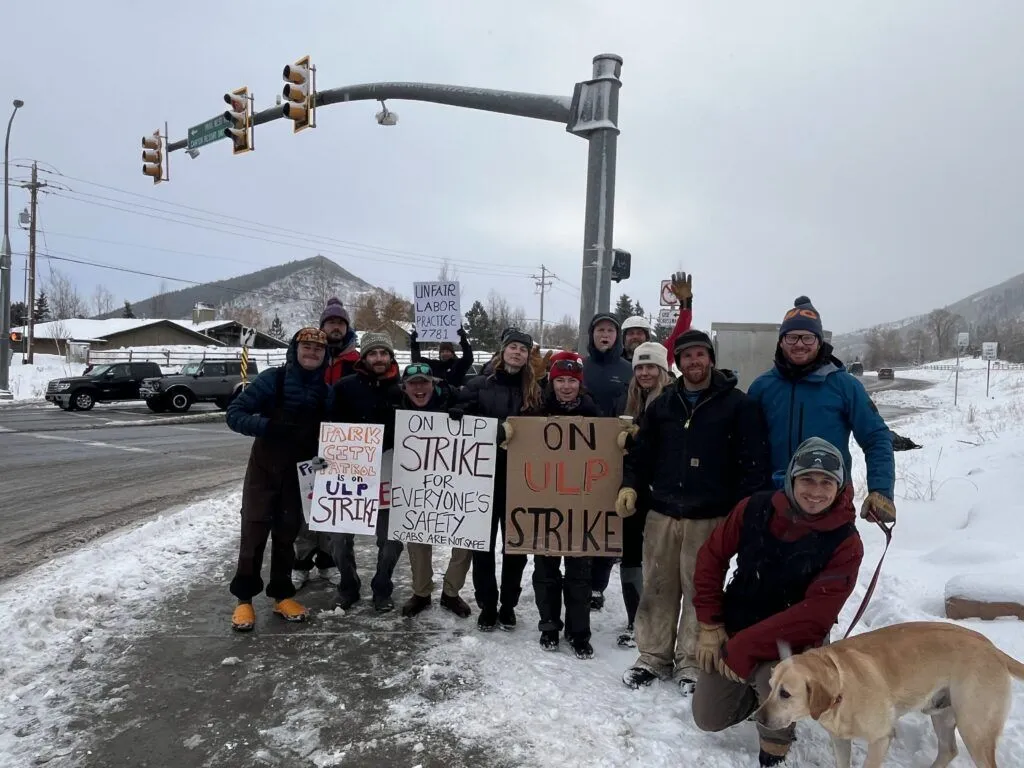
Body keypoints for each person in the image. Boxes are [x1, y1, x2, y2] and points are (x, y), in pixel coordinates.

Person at [690, 437, 865, 767]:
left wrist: (741, 650)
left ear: (840, 486)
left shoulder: (846, 541)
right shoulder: (755, 507)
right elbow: (711, 558)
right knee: (708, 718)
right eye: (807, 480)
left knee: (779, 679)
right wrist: (710, 624)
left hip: (794, 641)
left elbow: (814, 616)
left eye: (827, 482)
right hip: (738, 623)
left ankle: (776, 739)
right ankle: (754, 695)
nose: (815, 491)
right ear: (792, 479)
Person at [618, 329, 770, 692]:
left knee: (701, 591)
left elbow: (754, 464)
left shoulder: (738, 405)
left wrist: (743, 511)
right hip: (663, 514)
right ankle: (652, 657)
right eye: (686, 356)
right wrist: (630, 484)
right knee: (658, 586)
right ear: (678, 362)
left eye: (700, 355)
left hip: (711, 517)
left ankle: (691, 662)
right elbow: (642, 454)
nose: (694, 362)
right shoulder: (664, 405)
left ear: (711, 359)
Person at [748, 297, 896, 526]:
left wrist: (881, 490)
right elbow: (744, 447)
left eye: (808, 337)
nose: (799, 344)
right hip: (774, 504)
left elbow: (876, 437)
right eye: (792, 337)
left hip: (829, 501)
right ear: (780, 342)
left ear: (819, 342)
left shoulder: (845, 386)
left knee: (836, 562)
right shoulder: (762, 387)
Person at [225, 327, 329, 632]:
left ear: (325, 356)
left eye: (318, 349)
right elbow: (235, 414)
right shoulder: (274, 378)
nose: (312, 352)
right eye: (306, 347)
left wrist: (325, 454)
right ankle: (244, 599)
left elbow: (332, 433)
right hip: (264, 469)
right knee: (254, 533)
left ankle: (282, 594)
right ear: (295, 350)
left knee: (286, 535)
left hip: (299, 473)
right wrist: (268, 425)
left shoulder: (326, 390)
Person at [503, 351, 600, 659]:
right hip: (544, 505)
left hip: (581, 506)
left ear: (579, 383)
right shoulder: (536, 412)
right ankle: (549, 625)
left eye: (572, 381)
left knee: (579, 573)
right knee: (546, 569)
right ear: (552, 382)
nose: (566, 386)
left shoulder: (594, 412)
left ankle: (578, 630)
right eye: (561, 381)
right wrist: (510, 438)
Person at [454, 328, 541, 631]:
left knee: (515, 547)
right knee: (482, 546)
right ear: (503, 350)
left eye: (523, 349)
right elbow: (462, 414)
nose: (517, 352)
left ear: (529, 356)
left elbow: (542, 429)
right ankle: (487, 604)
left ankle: (508, 605)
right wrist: (457, 412)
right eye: (513, 347)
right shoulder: (479, 384)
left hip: (521, 481)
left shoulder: (535, 390)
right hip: (482, 479)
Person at [325, 332, 405, 612]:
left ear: (391, 357)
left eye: (384, 353)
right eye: (373, 353)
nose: (379, 358)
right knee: (337, 539)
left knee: (392, 539)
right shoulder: (345, 387)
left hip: (388, 475)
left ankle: (382, 588)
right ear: (364, 357)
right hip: (349, 477)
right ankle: (348, 586)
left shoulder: (403, 390)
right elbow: (328, 426)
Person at [398, 362, 474, 620]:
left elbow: (476, 409)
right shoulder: (396, 407)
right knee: (417, 538)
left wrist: (463, 412)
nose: (419, 388)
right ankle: (421, 592)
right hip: (416, 484)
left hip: (457, 483)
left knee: (464, 538)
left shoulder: (453, 397)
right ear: (405, 387)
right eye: (413, 383)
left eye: (424, 382)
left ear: (434, 384)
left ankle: (451, 593)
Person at [290, 297, 357, 590]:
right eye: (331, 322)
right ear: (323, 326)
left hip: (342, 444)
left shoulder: (356, 361)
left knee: (336, 505)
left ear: (346, 328)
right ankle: (301, 562)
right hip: (306, 441)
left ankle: (328, 561)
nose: (336, 327)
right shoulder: (310, 356)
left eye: (340, 323)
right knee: (306, 507)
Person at [613, 341, 674, 648]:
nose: (645, 372)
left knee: (658, 560)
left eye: (651, 366)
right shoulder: (632, 399)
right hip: (633, 488)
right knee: (631, 554)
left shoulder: (673, 399)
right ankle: (634, 618)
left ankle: (657, 625)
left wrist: (644, 440)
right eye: (639, 367)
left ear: (662, 369)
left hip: (664, 492)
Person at [582, 313, 633, 610]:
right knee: (579, 515)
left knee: (606, 520)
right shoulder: (581, 366)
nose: (605, 335)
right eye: (599, 329)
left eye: (610, 331)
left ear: (617, 337)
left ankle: (598, 584)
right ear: (592, 335)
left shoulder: (627, 370)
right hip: (578, 455)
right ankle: (577, 576)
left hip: (615, 455)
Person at [410, 326, 475, 388]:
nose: (445, 354)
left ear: (452, 353)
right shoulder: (435, 365)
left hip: (454, 396)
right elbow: (417, 362)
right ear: (440, 354)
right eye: (442, 352)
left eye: (447, 351)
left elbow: (468, 359)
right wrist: (414, 344)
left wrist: (463, 341)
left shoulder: (458, 365)